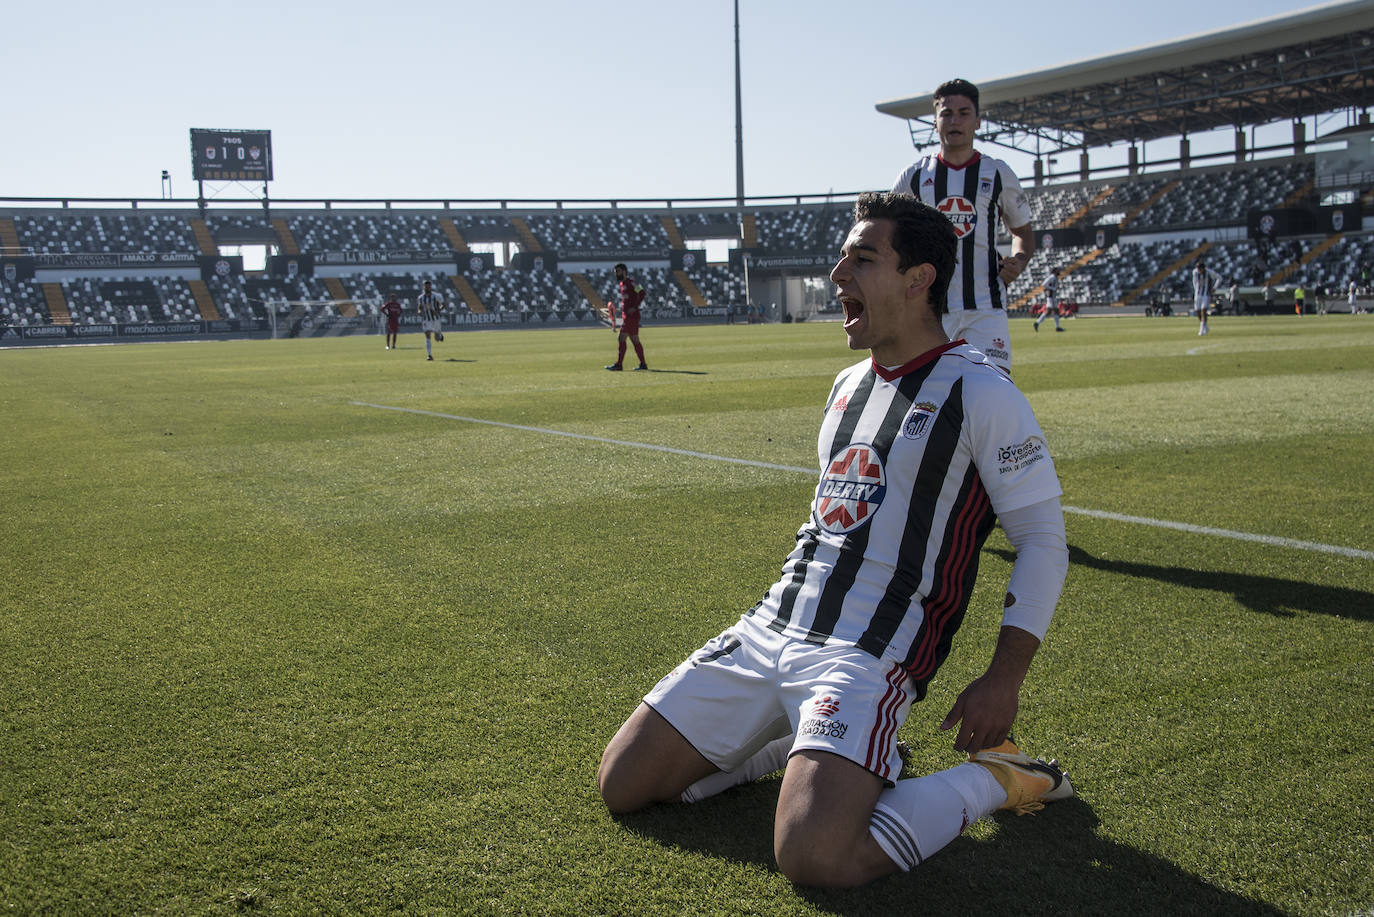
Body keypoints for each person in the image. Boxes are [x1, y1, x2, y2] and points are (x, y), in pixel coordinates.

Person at [598, 192, 1072, 889]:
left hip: (867, 653)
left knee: (816, 855)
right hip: (771, 628)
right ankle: (793, 744)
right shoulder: (846, 384)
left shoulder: (983, 392)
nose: (838, 274)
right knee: (624, 783)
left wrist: (1006, 676)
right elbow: (831, 520)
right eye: (842, 257)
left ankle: (995, 779)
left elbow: (1042, 540)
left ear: (920, 280)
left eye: (862, 258)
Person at [892, 78, 1035, 374]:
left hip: (985, 308)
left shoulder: (997, 173)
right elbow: (890, 236)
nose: (954, 120)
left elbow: (1023, 233)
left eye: (964, 112)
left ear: (978, 121)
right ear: (935, 122)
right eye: (946, 113)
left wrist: (1019, 261)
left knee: (993, 396)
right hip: (928, 310)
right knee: (928, 399)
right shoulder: (914, 177)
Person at [605, 263, 648, 371]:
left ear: (624, 271)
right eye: (615, 272)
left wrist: (634, 307)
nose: (616, 274)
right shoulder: (622, 284)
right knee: (635, 340)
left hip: (631, 316)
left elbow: (642, 292)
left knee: (621, 337)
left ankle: (619, 365)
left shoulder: (631, 283)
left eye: (617, 272)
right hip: (628, 316)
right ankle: (643, 364)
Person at [416, 279, 445, 360]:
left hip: (436, 319)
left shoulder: (436, 296)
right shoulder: (421, 298)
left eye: (428, 286)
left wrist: (438, 310)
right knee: (427, 336)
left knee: (437, 339)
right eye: (426, 286)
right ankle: (429, 355)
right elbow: (420, 307)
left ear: (431, 287)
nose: (427, 288)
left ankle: (440, 334)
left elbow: (443, 305)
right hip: (426, 319)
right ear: (423, 287)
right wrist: (419, 311)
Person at [1192, 259, 1219, 336]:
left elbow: (1219, 278)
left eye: (1200, 269)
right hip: (1198, 294)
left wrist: (1214, 288)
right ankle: (1205, 326)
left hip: (1206, 294)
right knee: (1197, 311)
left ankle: (1201, 329)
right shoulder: (1194, 272)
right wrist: (1196, 290)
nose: (1199, 271)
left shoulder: (1209, 272)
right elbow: (1194, 282)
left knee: (1203, 310)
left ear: (1203, 268)